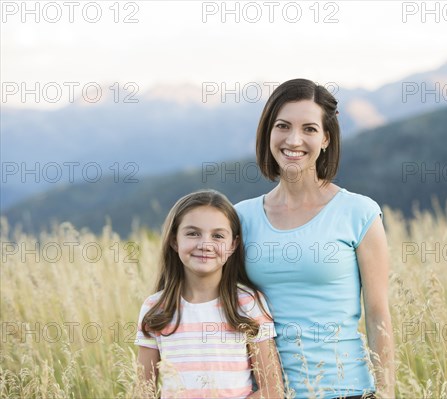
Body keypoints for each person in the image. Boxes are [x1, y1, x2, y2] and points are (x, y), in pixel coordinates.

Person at [235, 79, 395, 398]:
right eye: (283, 126)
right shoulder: (240, 217)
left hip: (345, 389)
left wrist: (386, 392)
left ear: (325, 139)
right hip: (266, 393)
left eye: (309, 129)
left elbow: (378, 312)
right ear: (268, 133)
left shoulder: (359, 213)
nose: (294, 140)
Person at [135, 189, 283, 398]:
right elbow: (143, 391)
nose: (205, 244)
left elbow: (273, 390)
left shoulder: (247, 303)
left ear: (233, 245)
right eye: (193, 233)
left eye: (218, 236)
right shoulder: (155, 308)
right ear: (174, 241)